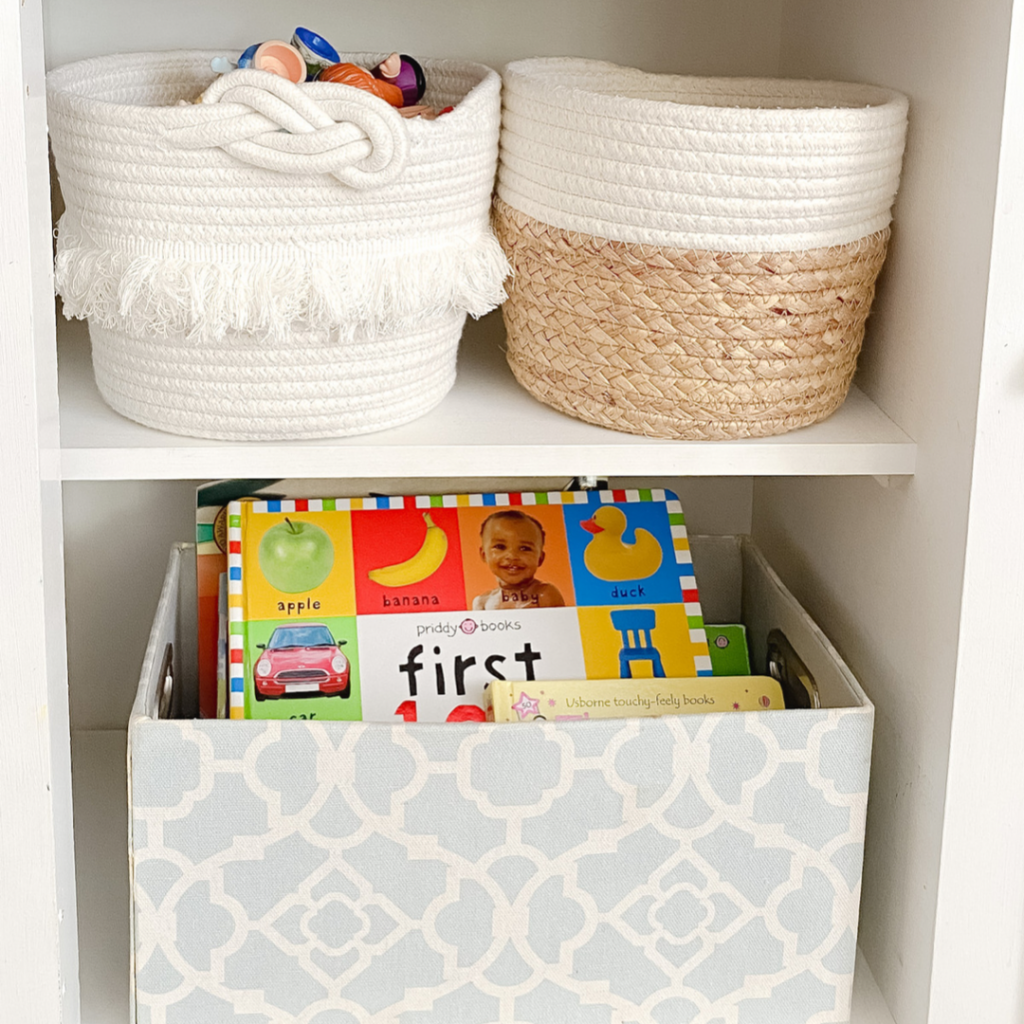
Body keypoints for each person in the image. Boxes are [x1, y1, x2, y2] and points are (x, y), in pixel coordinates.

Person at [472, 510, 566, 611]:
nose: (512, 556)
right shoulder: (482, 602)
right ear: (484, 555)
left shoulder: (544, 594)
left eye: (524, 548)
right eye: (500, 547)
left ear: (540, 558)